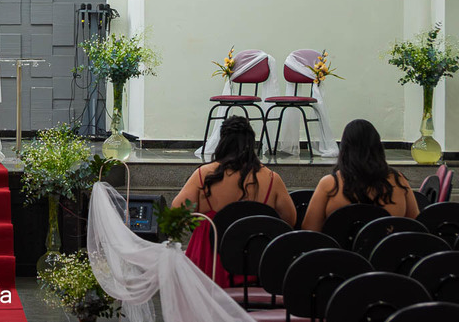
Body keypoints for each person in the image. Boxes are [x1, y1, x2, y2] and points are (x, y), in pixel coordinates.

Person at [172, 115, 297, 286]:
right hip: (253, 266)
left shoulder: (204, 175)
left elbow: (177, 213)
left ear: (222, 142)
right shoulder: (271, 179)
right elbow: (289, 220)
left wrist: (204, 219)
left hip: (209, 264)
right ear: (251, 143)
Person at [301, 118, 418, 232]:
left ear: (344, 148)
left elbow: (309, 230)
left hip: (339, 246)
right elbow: (416, 226)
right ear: (378, 147)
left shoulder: (329, 184)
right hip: (385, 245)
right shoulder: (398, 180)